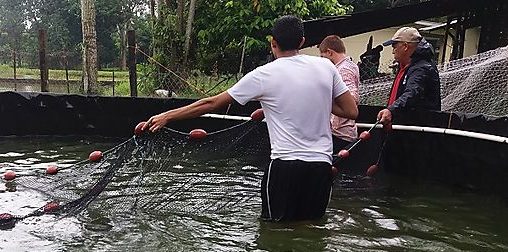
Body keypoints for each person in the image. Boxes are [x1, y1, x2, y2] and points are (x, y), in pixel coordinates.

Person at [142, 15, 358, 222]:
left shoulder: (264, 74)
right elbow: (351, 111)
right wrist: (314, 97)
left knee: (276, 233)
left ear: (273, 43)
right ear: (302, 42)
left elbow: (212, 103)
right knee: (309, 233)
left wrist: (167, 116)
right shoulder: (326, 67)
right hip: (321, 166)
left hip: (285, 168)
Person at [377, 27, 441, 125]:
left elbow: (413, 92)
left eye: (395, 46)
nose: (393, 51)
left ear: (405, 46)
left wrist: (392, 110)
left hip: (415, 130)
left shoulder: (422, 68)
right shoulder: (405, 66)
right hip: (400, 125)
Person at [319, 35, 360, 142]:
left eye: (323, 57)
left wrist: (326, 100)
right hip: (341, 131)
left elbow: (352, 98)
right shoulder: (349, 66)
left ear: (330, 52)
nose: (323, 61)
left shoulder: (343, 70)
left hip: (340, 133)